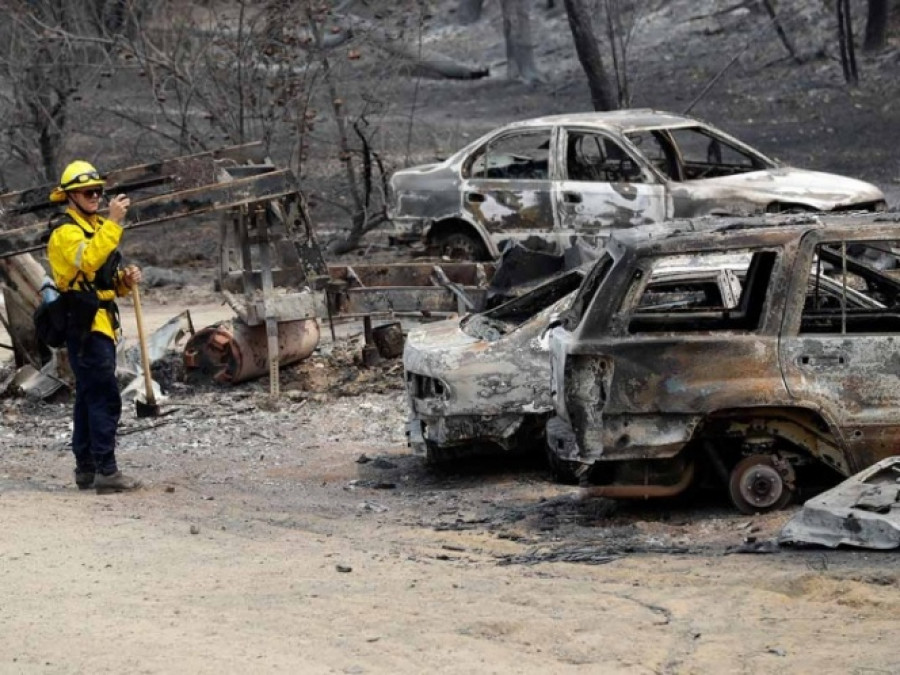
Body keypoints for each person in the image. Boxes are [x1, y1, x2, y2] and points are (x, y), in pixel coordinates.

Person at [47, 160, 143, 494]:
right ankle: (107, 471)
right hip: (83, 325)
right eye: (88, 192)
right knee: (104, 395)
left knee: (88, 396)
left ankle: (86, 469)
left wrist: (124, 281)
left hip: (100, 321)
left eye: (98, 191)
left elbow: (103, 276)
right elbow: (87, 260)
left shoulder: (97, 227)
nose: (96, 196)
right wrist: (115, 222)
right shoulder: (65, 232)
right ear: (70, 196)